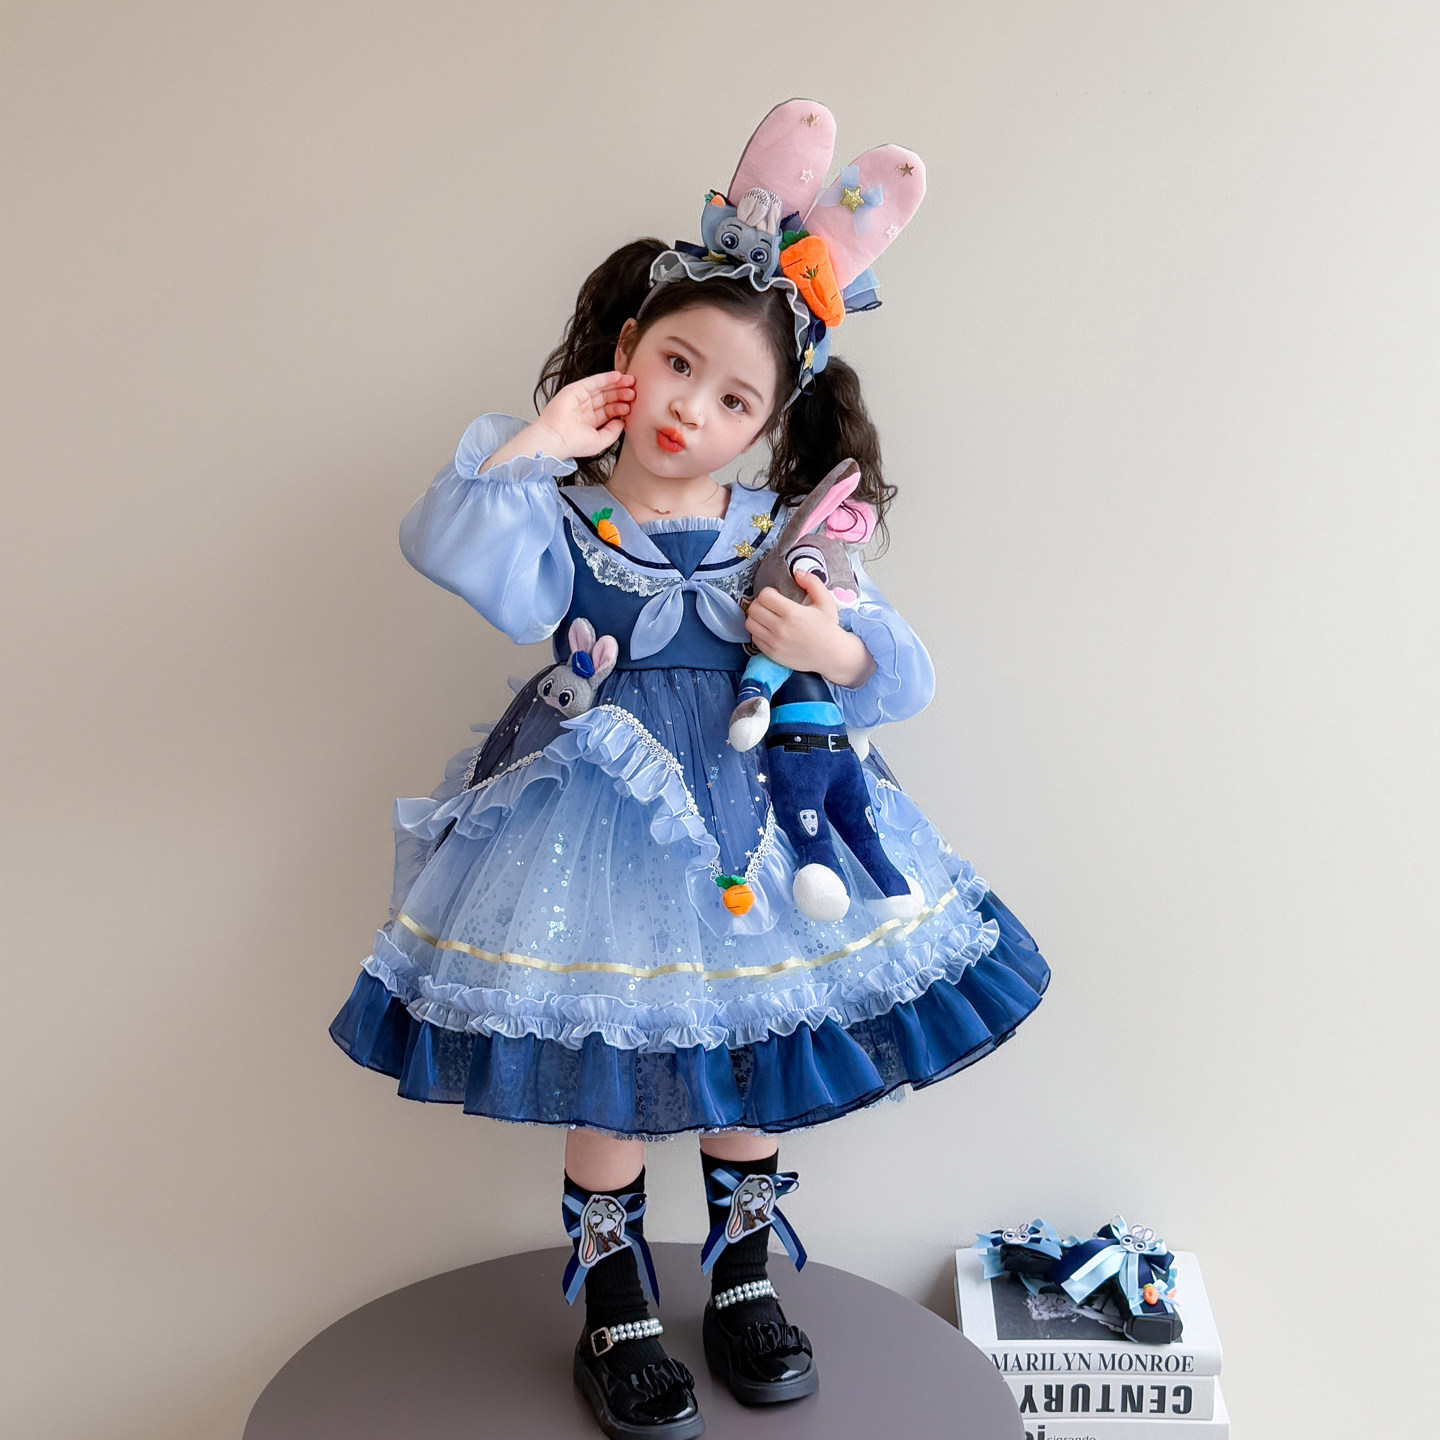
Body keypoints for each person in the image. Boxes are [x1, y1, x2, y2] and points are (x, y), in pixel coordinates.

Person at [329, 101, 1050, 1440]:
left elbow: (899, 674)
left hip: (760, 830)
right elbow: (451, 549)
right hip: (591, 827)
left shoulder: (783, 534)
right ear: (627, 352)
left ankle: (742, 1281)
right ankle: (615, 1304)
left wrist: (830, 644)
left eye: (734, 400)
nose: (690, 411)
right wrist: (538, 442)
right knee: (614, 1072)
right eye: (676, 366)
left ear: (771, 425)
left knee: (752, 1064)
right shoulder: (560, 515)